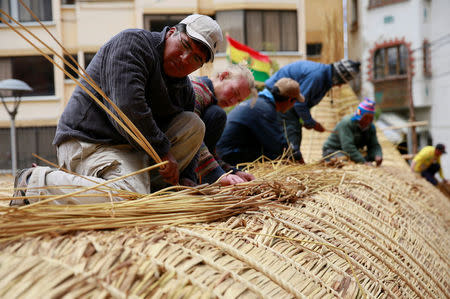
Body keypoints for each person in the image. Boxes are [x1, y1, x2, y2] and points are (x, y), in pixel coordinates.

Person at [11, 14, 223, 205]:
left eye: (196, 58)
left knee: (194, 124)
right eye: (185, 45)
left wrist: (187, 179)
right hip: (89, 142)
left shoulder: (184, 89)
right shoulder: (133, 44)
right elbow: (126, 108)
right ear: (171, 32)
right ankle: (35, 182)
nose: (185, 58)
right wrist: (163, 151)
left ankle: (154, 192)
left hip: (132, 150)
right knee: (128, 198)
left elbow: (191, 145)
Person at [265, 59, 361, 163]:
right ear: (338, 78)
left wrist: (305, 121)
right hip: (279, 97)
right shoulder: (317, 76)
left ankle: (293, 159)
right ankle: (293, 160)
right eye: (341, 82)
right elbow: (300, 104)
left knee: (294, 128)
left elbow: (302, 104)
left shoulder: (324, 77)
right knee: (291, 130)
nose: (340, 86)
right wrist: (311, 123)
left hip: (288, 100)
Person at [191, 64, 257, 185]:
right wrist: (216, 175)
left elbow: (208, 151)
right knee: (217, 114)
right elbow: (191, 138)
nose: (232, 101)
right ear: (223, 76)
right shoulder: (197, 91)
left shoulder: (209, 99)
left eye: (238, 100)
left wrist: (231, 171)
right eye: (234, 92)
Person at [216, 78, 304, 165]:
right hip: (229, 156)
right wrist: (297, 158)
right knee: (274, 156)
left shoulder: (259, 103)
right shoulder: (265, 109)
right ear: (290, 100)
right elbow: (280, 146)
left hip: (224, 151)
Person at [322, 98, 383, 166]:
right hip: (334, 150)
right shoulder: (346, 123)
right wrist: (363, 162)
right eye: (366, 118)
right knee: (342, 160)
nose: (368, 121)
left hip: (351, 152)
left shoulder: (371, 127)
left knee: (370, 156)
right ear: (360, 116)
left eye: (370, 118)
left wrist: (378, 155)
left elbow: (374, 145)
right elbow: (348, 146)